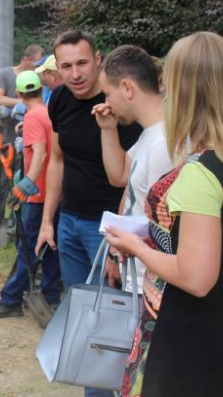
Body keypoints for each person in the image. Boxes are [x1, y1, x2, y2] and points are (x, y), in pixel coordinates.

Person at [104, 32, 223, 397]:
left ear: (183, 90)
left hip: (185, 339)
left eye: (168, 86)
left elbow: (197, 278)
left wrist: (136, 246)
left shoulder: (200, 172)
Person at [35, 30, 141, 397]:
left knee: (106, 326)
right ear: (56, 69)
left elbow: (134, 177)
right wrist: (48, 221)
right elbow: (58, 161)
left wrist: (118, 242)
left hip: (108, 233)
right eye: (66, 66)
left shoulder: (121, 105)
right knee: (81, 321)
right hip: (69, 224)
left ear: (98, 59)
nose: (75, 73)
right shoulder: (60, 100)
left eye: (82, 63)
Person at [91, 45, 173, 291]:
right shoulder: (151, 133)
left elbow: (166, 229)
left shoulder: (163, 145)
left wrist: (123, 238)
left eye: (107, 93)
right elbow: (120, 176)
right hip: (138, 277)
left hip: (150, 284)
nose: (106, 102)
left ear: (127, 88)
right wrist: (108, 129)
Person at [0, 71, 62, 317]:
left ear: (18, 94)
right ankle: (49, 296)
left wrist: (26, 183)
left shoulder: (34, 118)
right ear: (40, 90)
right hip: (55, 193)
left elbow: (40, 154)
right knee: (50, 247)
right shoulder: (48, 112)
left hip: (38, 196)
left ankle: (11, 300)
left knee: (27, 248)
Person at [0, 44, 44, 240]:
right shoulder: (5, 74)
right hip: (4, 138)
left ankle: (13, 225)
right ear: (26, 60)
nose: (37, 69)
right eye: (35, 64)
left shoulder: (33, 80)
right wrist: (19, 103)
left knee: (17, 184)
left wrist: (24, 104)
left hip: (24, 142)